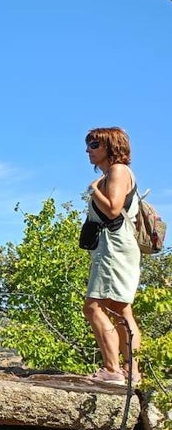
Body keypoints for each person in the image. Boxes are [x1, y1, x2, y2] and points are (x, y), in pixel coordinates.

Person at [82, 127, 142, 385]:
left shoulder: (117, 171)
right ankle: (131, 371)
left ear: (110, 146)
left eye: (94, 144)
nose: (88, 150)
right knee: (120, 308)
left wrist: (94, 189)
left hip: (114, 247)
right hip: (116, 246)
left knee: (93, 306)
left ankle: (112, 369)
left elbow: (114, 209)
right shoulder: (115, 173)